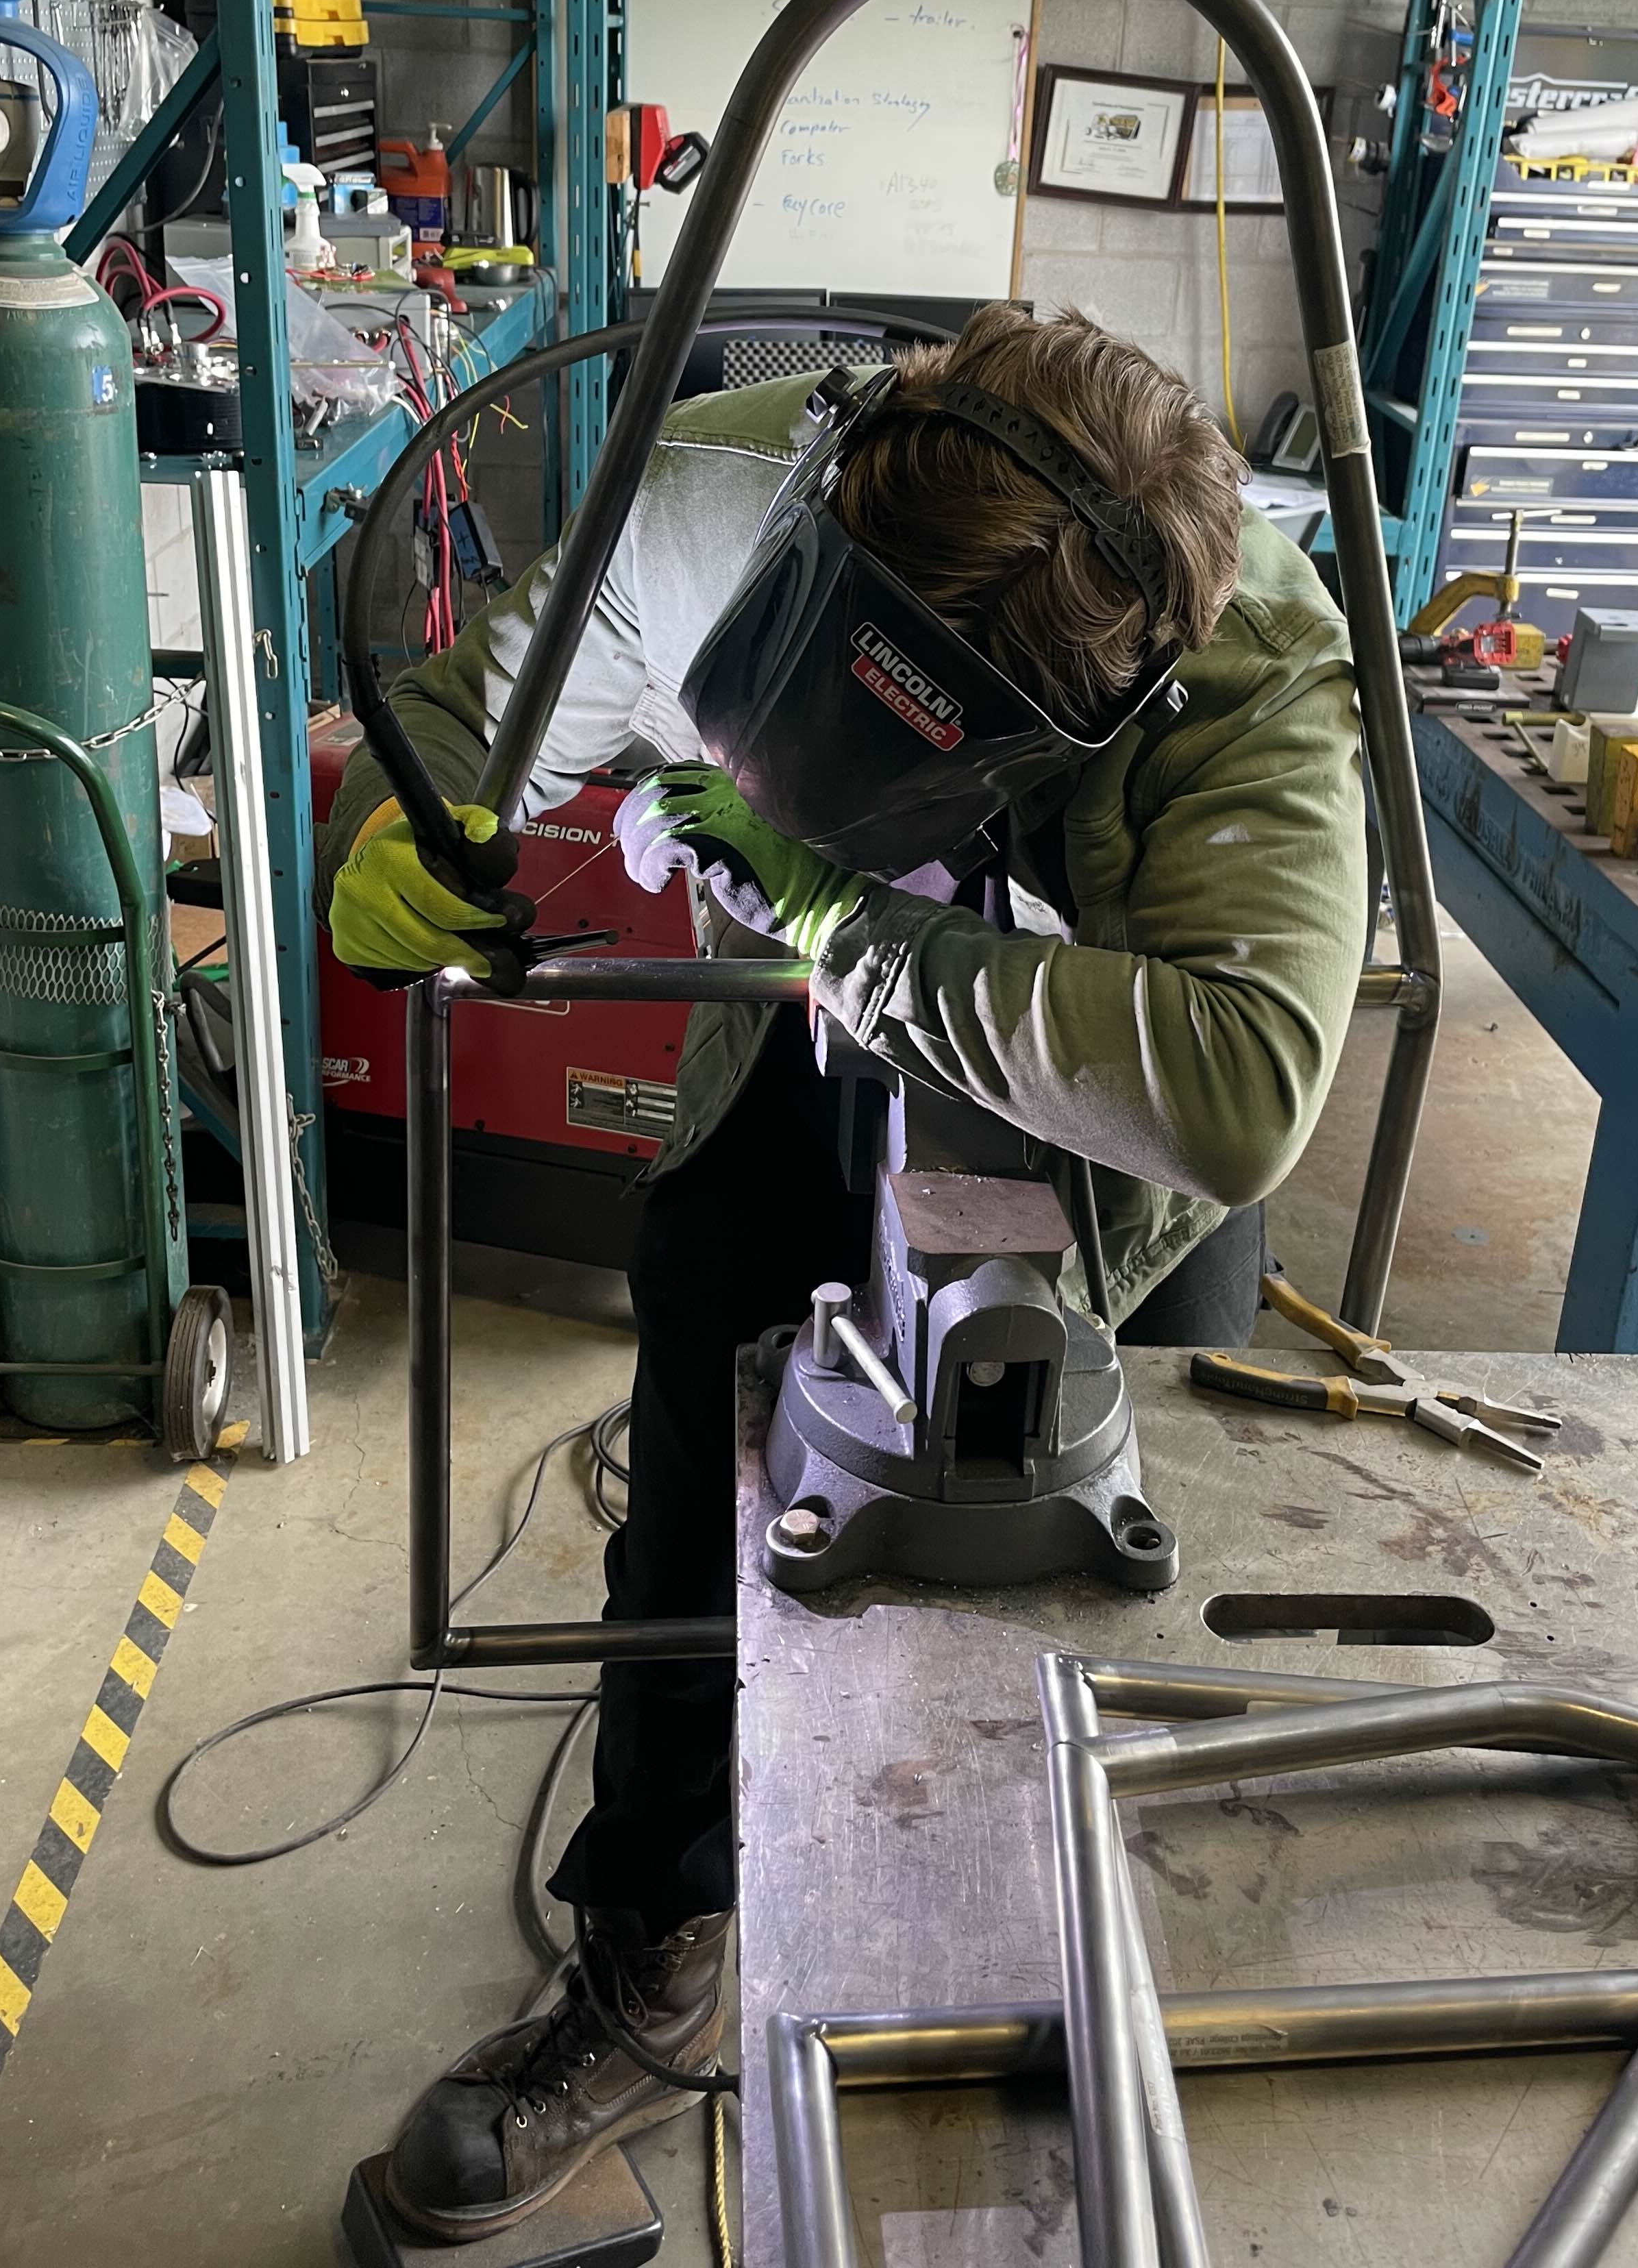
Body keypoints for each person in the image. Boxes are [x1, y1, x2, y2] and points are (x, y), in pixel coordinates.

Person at [317, 304, 1367, 2244]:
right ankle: (651, 1955)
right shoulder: (733, 479)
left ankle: (1078, 1957)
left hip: (1088, 1121)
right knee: (706, 1505)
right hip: (798, 1055)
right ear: (828, 517)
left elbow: (1235, 1091)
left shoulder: (1246, 659)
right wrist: (409, 828)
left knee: (1118, 1546)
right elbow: (482, 713)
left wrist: (832, 910)